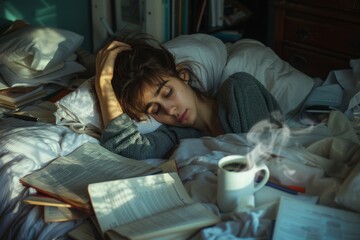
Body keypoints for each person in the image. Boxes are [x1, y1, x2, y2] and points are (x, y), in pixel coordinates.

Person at [95, 32, 281, 160]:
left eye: (167, 92)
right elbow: (128, 149)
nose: (169, 109)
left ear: (182, 75)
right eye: (155, 109)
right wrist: (103, 84)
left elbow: (268, 151)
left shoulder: (238, 89)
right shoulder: (175, 136)